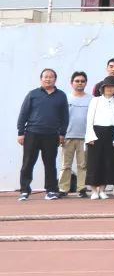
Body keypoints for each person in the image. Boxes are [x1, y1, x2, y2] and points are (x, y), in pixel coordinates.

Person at [17, 68, 69, 201]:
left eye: (51, 77)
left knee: (50, 164)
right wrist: (20, 132)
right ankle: (24, 190)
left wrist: (62, 133)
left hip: (51, 135)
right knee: (28, 163)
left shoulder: (61, 95)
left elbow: (65, 117)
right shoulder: (32, 94)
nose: (48, 79)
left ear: (55, 79)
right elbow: (23, 113)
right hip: (32, 133)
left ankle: (51, 190)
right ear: (41, 79)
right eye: (45, 77)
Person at [84, 76, 114, 200]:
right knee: (94, 162)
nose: (109, 89)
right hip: (96, 132)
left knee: (108, 162)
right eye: (107, 87)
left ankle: (102, 190)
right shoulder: (95, 100)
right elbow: (89, 119)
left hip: (111, 133)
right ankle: (94, 190)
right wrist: (90, 136)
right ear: (103, 88)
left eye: (112, 87)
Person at [59, 72, 91, 197]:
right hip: (67, 136)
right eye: (77, 81)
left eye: (82, 81)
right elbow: (60, 117)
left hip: (85, 137)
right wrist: (60, 134)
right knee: (65, 165)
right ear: (71, 83)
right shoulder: (65, 98)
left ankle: (81, 188)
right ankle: (63, 189)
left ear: (86, 83)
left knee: (83, 165)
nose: (80, 83)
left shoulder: (91, 99)